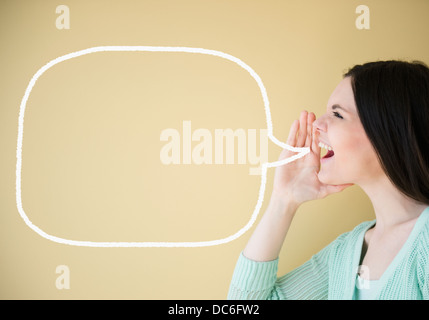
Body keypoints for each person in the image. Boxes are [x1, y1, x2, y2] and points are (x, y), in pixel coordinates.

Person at [227, 60, 429, 300]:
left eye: (337, 114)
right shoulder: (346, 252)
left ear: (389, 132)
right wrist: (284, 200)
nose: (317, 124)